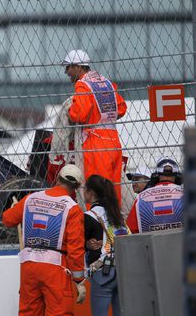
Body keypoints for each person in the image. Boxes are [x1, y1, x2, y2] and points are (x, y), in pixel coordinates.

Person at [2, 164, 87, 315]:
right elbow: (75, 249)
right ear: (77, 186)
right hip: (56, 268)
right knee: (59, 312)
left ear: (57, 178)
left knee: (29, 312)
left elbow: (7, 219)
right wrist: (79, 281)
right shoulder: (73, 209)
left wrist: (16, 208)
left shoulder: (31, 198)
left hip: (29, 264)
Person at [63, 49, 127, 202]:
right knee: (113, 190)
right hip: (113, 140)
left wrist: (71, 112)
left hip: (95, 143)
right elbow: (121, 108)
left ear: (78, 67)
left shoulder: (83, 85)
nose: (66, 72)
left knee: (95, 190)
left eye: (68, 67)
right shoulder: (105, 82)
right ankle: (113, 215)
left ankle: (97, 217)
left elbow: (79, 114)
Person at [84, 175, 128, 316]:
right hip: (122, 270)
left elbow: (77, 244)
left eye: (85, 189)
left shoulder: (89, 216)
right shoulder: (118, 215)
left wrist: (87, 245)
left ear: (91, 193)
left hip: (103, 272)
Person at [126, 156, 183, 234]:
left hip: (150, 242)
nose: (134, 183)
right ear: (178, 177)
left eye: (137, 179)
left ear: (155, 176)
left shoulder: (140, 199)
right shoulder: (188, 196)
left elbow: (131, 229)